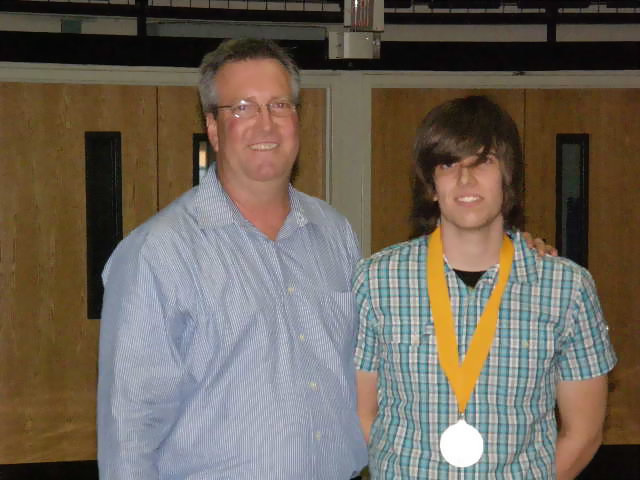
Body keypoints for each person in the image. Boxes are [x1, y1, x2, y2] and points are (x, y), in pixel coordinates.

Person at [97, 38, 368, 479]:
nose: (266, 124)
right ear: (214, 128)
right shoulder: (158, 253)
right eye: (242, 108)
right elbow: (130, 428)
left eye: (279, 105)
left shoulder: (335, 233)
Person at [354, 96, 616, 479]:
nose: (466, 179)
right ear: (431, 185)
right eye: (448, 164)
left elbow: (584, 433)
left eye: (484, 161)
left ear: (508, 177)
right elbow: (364, 414)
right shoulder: (378, 280)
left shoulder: (567, 289)